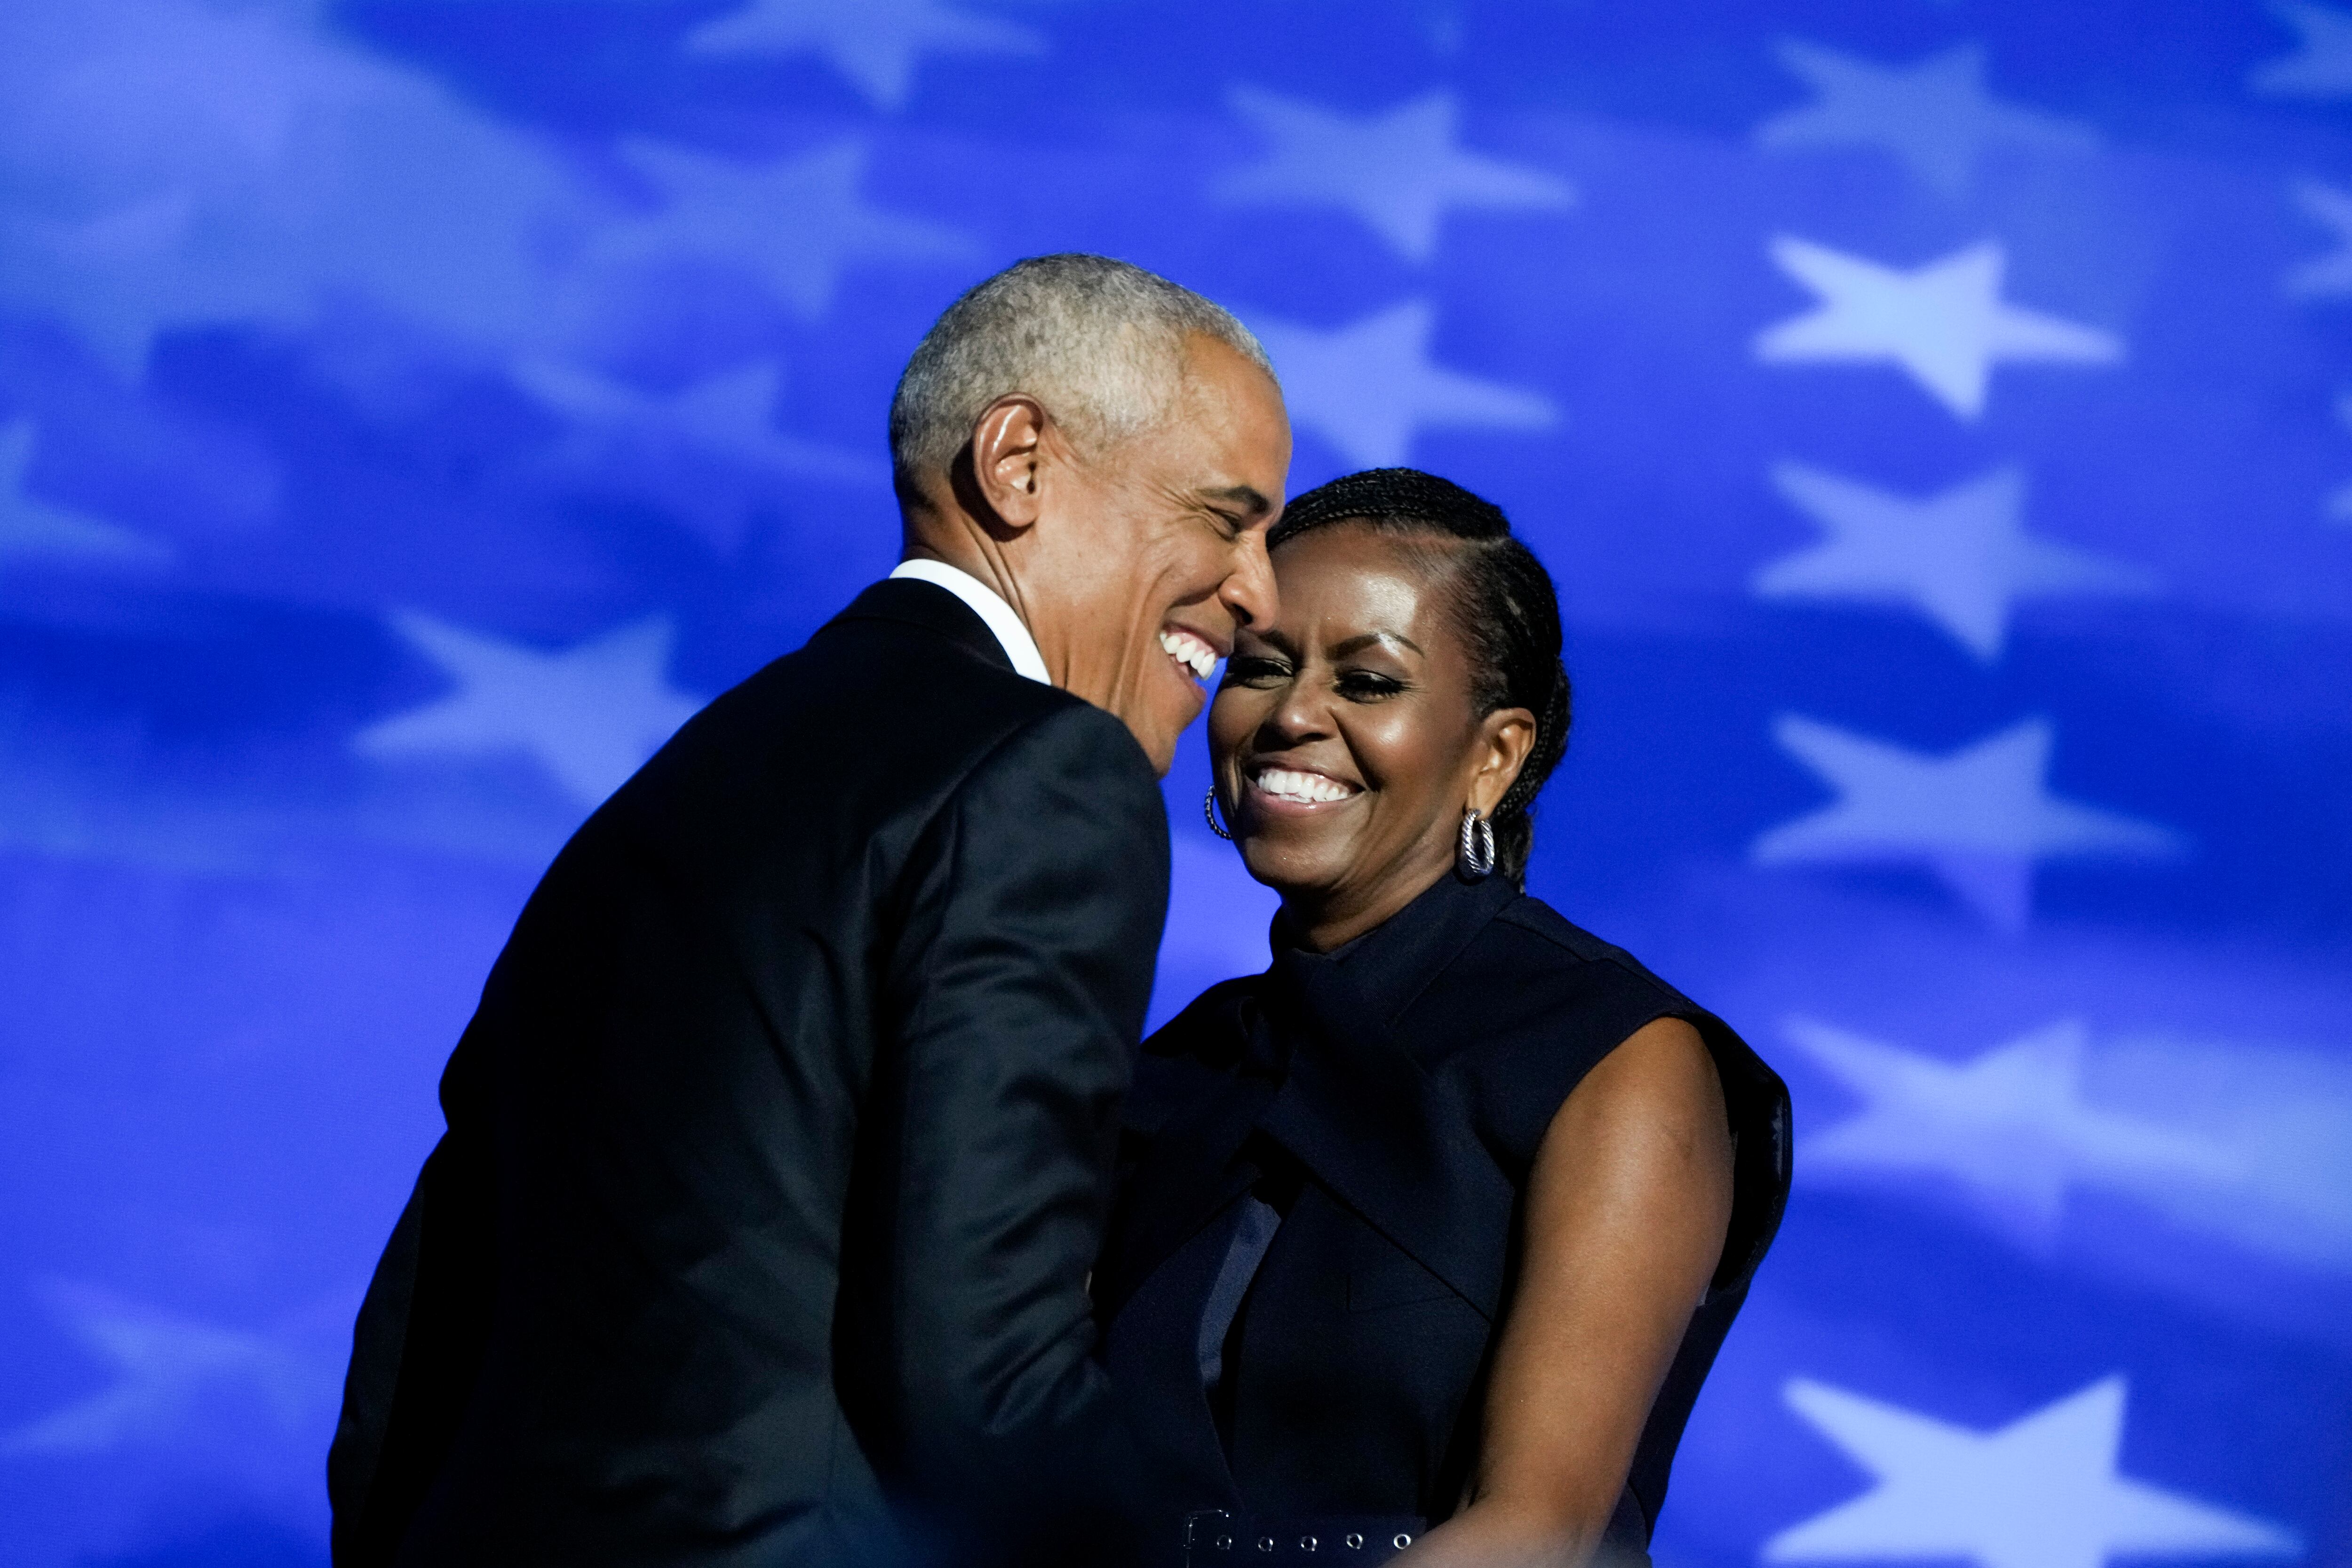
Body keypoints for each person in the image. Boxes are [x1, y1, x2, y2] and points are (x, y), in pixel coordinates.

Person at [326, 254, 1291, 1567]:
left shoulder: (668, 795)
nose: (1260, 596)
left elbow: (405, 1358)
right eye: (1226, 517)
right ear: (1017, 464)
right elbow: (985, 1384)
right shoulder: (1047, 773)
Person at [1094, 469, 1790, 1568]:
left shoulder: (1614, 1056)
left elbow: (1539, 1530)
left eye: (1368, 680)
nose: (1291, 714)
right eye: (1262, 665)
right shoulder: (1178, 1063)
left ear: (1495, 754)